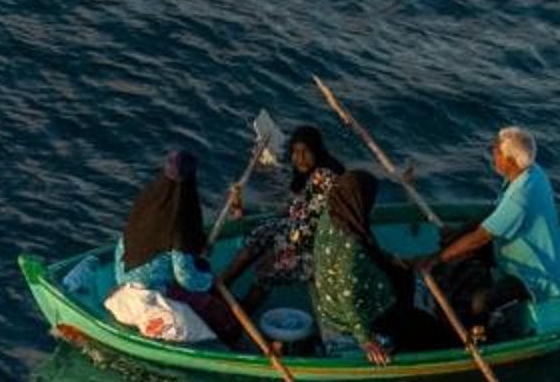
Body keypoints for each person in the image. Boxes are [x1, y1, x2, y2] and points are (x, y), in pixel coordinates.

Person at [427, 126, 560, 342]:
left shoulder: (520, 197)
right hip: (514, 252)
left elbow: (482, 236)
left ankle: (481, 335)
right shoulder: (530, 172)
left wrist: (436, 259)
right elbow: (494, 212)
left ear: (510, 161)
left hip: (532, 273)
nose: (494, 155)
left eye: (497, 152)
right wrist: (457, 234)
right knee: (456, 245)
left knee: (480, 302)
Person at [309, 168, 446, 364]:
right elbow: (347, 297)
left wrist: (389, 259)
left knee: (400, 271)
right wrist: (366, 340)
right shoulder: (351, 249)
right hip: (350, 313)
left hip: (329, 302)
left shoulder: (332, 216)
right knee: (420, 322)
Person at [114, 148, 243, 345]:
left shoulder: (150, 197)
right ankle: (232, 342)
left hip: (123, 272)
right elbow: (185, 278)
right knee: (222, 316)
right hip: (153, 286)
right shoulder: (179, 221)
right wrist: (208, 281)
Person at [229, 124, 341, 300]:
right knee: (261, 233)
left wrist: (277, 254)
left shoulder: (324, 177)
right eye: (295, 152)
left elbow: (306, 230)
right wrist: (239, 208)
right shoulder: (310, 173)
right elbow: (295, 211)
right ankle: (222, 284)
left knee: (267, 269)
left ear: (316, 151)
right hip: (305, 235)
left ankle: (244, 309)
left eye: (305, 152)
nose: (300, 158)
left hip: (323, 249)